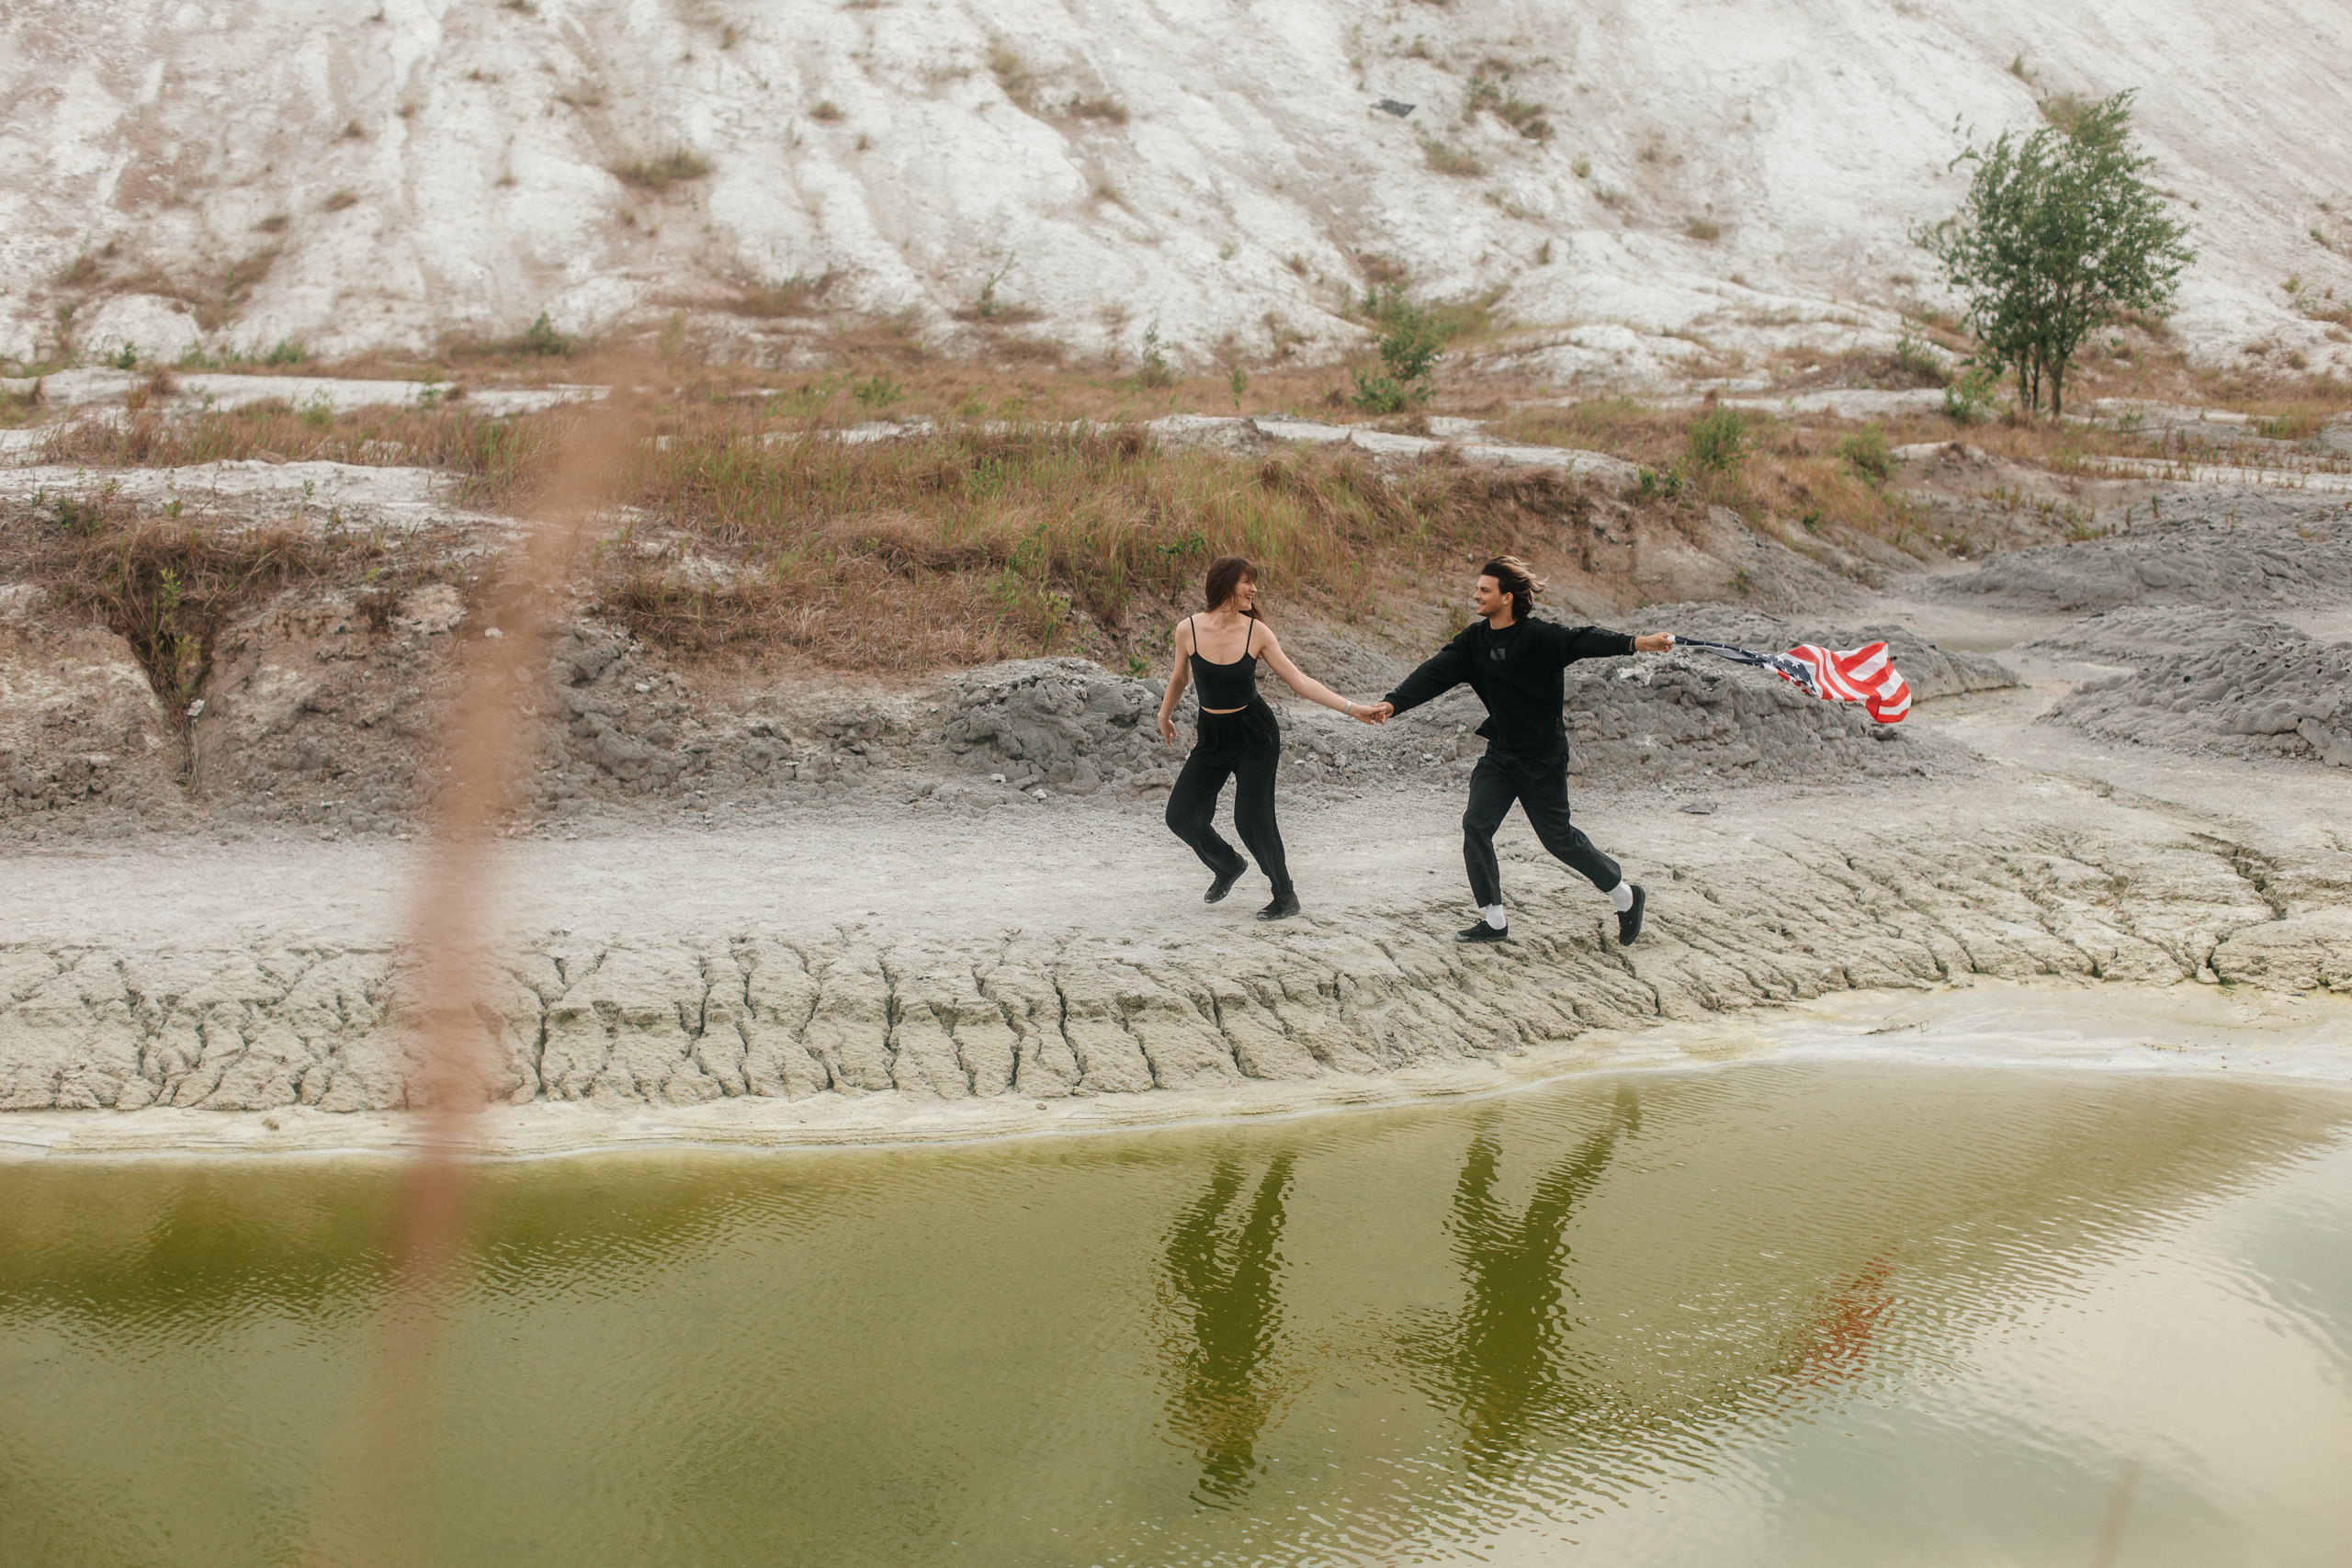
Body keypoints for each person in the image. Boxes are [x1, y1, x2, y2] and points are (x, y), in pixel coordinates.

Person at [1363, 556, 1672, 945]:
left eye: (1484, 590)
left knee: (1558, 839)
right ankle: (1494, 920)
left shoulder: (1540, 637)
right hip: (1501, 754)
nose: (1476, 595)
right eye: (1477, 588)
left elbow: (1584, 639)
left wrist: (1638, 643)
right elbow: (1433, 673)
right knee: (1476, 825)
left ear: (1507, 597)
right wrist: (1393, 703)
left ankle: (1626, 896)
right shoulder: (1474, 642)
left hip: (1543, 757)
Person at [1158, 555, 1385, 920]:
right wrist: (1164, 715)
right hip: (1212, 736)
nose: (1254, 589)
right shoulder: (1188, 630)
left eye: (1254, 582)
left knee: (1251, 819)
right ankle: (1228, 865)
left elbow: (1300, 682)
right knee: (1181, 815)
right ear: (1225, 584)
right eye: (1247, 582)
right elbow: (1180, 678)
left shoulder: (1256, 632)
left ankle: (1285, 896)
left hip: (1255, 736)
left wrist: (1352, 708)